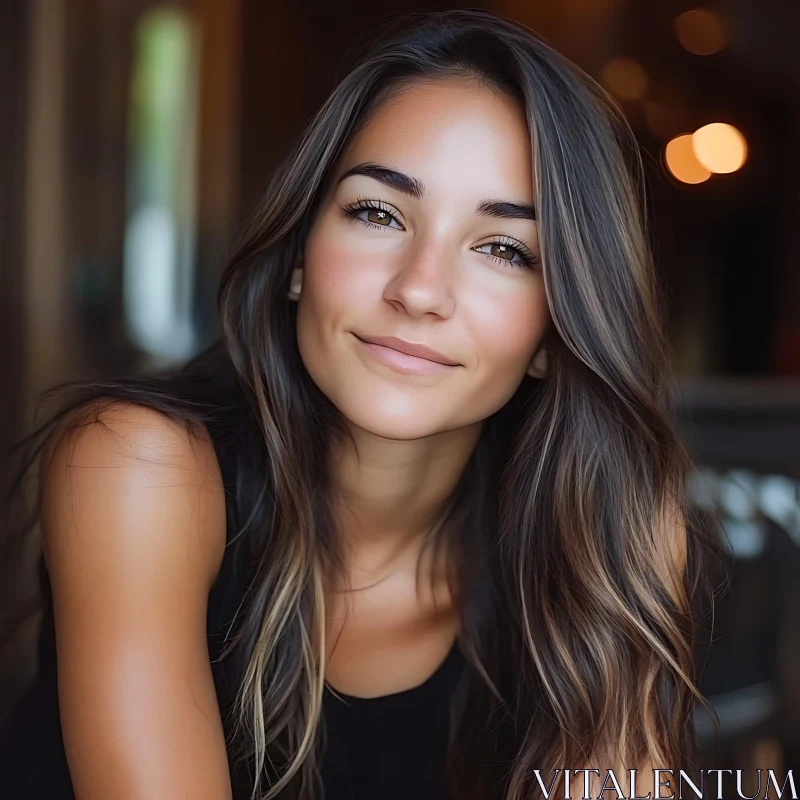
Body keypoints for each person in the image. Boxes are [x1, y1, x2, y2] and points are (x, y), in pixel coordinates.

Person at [0, 8, 722, 800]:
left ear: (558, 328)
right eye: (378, 212)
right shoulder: (139, 467)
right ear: (300, 254)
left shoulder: (607, 541)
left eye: (505, 249)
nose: (418, 290)